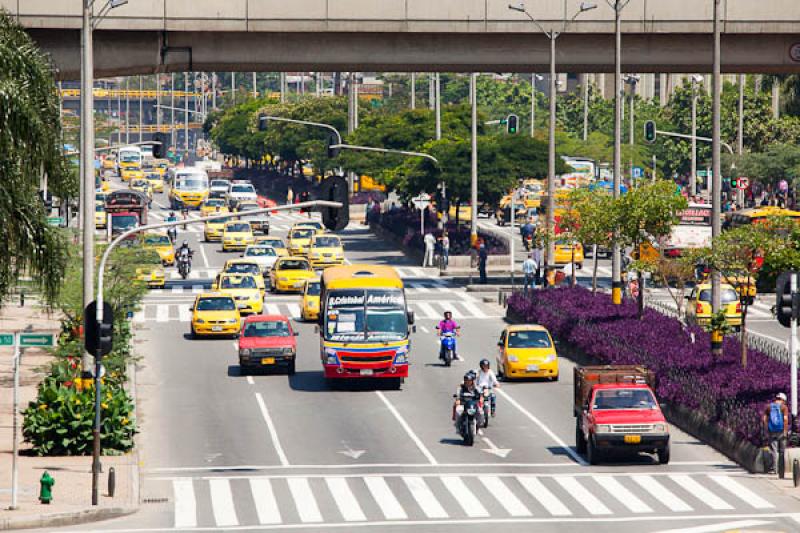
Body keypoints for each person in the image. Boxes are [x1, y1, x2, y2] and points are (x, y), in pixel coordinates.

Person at [763, 392, 790, 474]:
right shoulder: (784, 407)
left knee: (774, 450)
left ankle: (775, 469)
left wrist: (767, 429)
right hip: (781, 431)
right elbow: (785, 419)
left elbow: (764, 419)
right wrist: (785, 431)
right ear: (783, 400)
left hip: (772, 431)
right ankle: (781, 470)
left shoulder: (768, 406)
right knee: (782, 451)